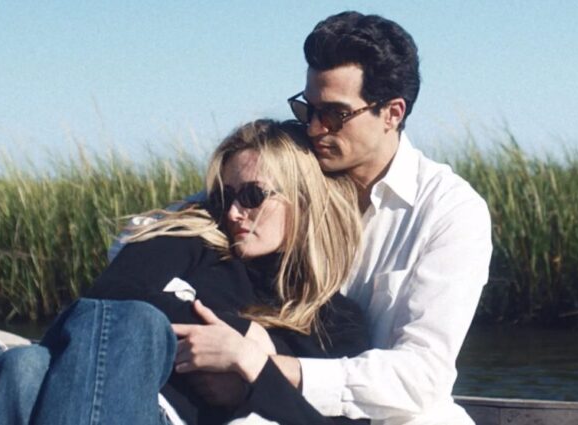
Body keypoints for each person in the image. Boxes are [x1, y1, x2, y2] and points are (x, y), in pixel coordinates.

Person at [172, 11, 493, 425]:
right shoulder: (287, 174)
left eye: (335, 114)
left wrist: (257, 368)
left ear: (393, 113)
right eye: (307, 109)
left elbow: (421, 376)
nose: (314, 128)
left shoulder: (450, 211)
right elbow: (147, 232)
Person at [0, 119, 372, 425]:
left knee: (123, 326)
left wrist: (249, 367)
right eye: (224, 197)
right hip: (111, 405)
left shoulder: (335, 320)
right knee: (22, 367)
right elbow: (104, 301)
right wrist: (239, 330)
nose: (234, 213)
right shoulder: (197, 243)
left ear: (302, 198)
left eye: (253, 196)